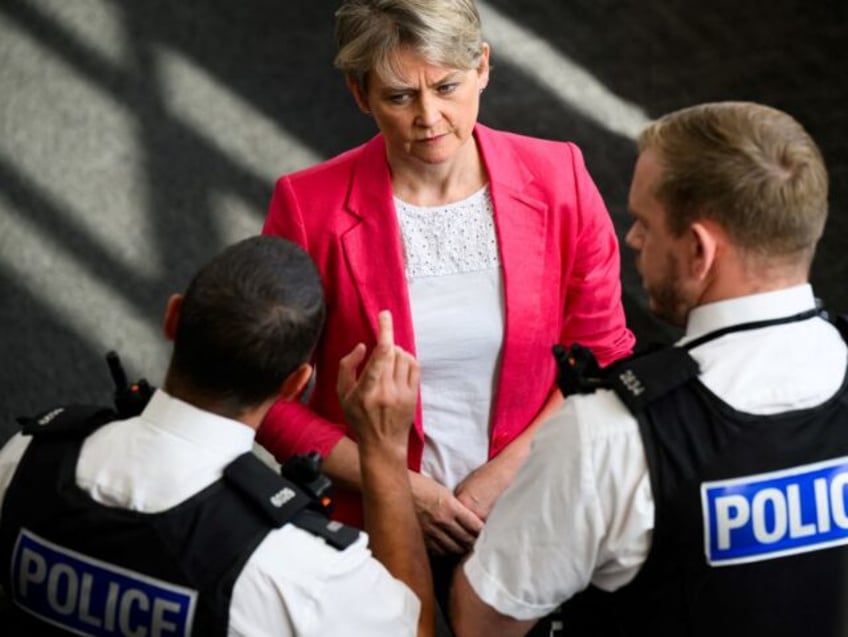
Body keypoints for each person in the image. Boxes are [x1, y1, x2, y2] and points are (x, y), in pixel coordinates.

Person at [258, 0, 634, 579]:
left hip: (536, 517)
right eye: (399, 96)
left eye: (447, 86)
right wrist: (401, 489)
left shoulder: (561, 177)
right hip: (368, 533)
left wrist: (493, 486)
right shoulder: (309, 207)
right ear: (361, 95)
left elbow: (603, 358)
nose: (429, 117)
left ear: (482, 66)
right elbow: (263, 399)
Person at [450, 101, 848, 637]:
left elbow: (483, 623)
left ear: (699, 250)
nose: (633, 239)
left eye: (644, 222)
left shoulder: (610, 436)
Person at [0, 235, 434, 636]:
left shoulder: (26, 457)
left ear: (173, 317)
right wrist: (383, 451)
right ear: (295, 383)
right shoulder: (299, 570)